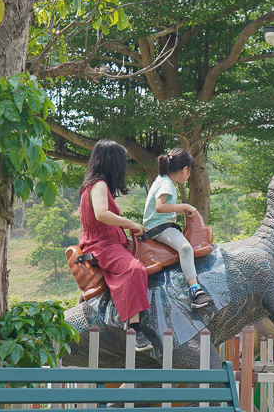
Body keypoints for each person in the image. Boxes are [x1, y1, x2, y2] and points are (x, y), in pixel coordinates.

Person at [79, 139, 153, 348]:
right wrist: (130, 222)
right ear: (113, 162)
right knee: (135, 269)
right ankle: (135, 328)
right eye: (122, 160)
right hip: (102, 245)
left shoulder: (92, 185)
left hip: (107, 241)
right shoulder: (99, 185)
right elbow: (102, 214)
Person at [142, 148, 213, 309]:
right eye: (190, 172)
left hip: (161, 225)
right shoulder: (166, 183)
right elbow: (160, 207)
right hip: (160, 227)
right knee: (186, 248)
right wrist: (185, 206)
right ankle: (196, 291)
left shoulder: (162, 180)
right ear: (185, 169)